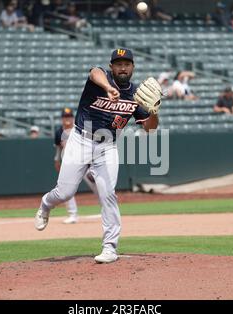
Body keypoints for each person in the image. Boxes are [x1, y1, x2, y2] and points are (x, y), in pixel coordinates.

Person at [34, 48, 160, 263]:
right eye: (118, 63)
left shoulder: (137, 95)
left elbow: (150, 129)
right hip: (80, 140)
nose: (122, 67)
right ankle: (46, 204)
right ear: (111, 66)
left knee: (108, 194)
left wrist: (154, 112)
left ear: (133, 67)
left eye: (127, 63)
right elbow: (94, 72)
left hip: (107, 147)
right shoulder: (100, 79)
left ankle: (110, 247)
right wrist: (108, 87)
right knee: (65, 192)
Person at [54, 107, 101, 224]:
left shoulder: (79, 129)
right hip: (69, 164)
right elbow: (58, 150)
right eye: (65, 117)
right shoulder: (59, 132)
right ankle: (72, 215)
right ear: (61, 119)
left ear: (73, 117)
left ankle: (106, 211)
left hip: (85, 162)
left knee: (98, 187)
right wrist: (56, 160)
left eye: (69, 116)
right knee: (66, 189)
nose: (67, 119)